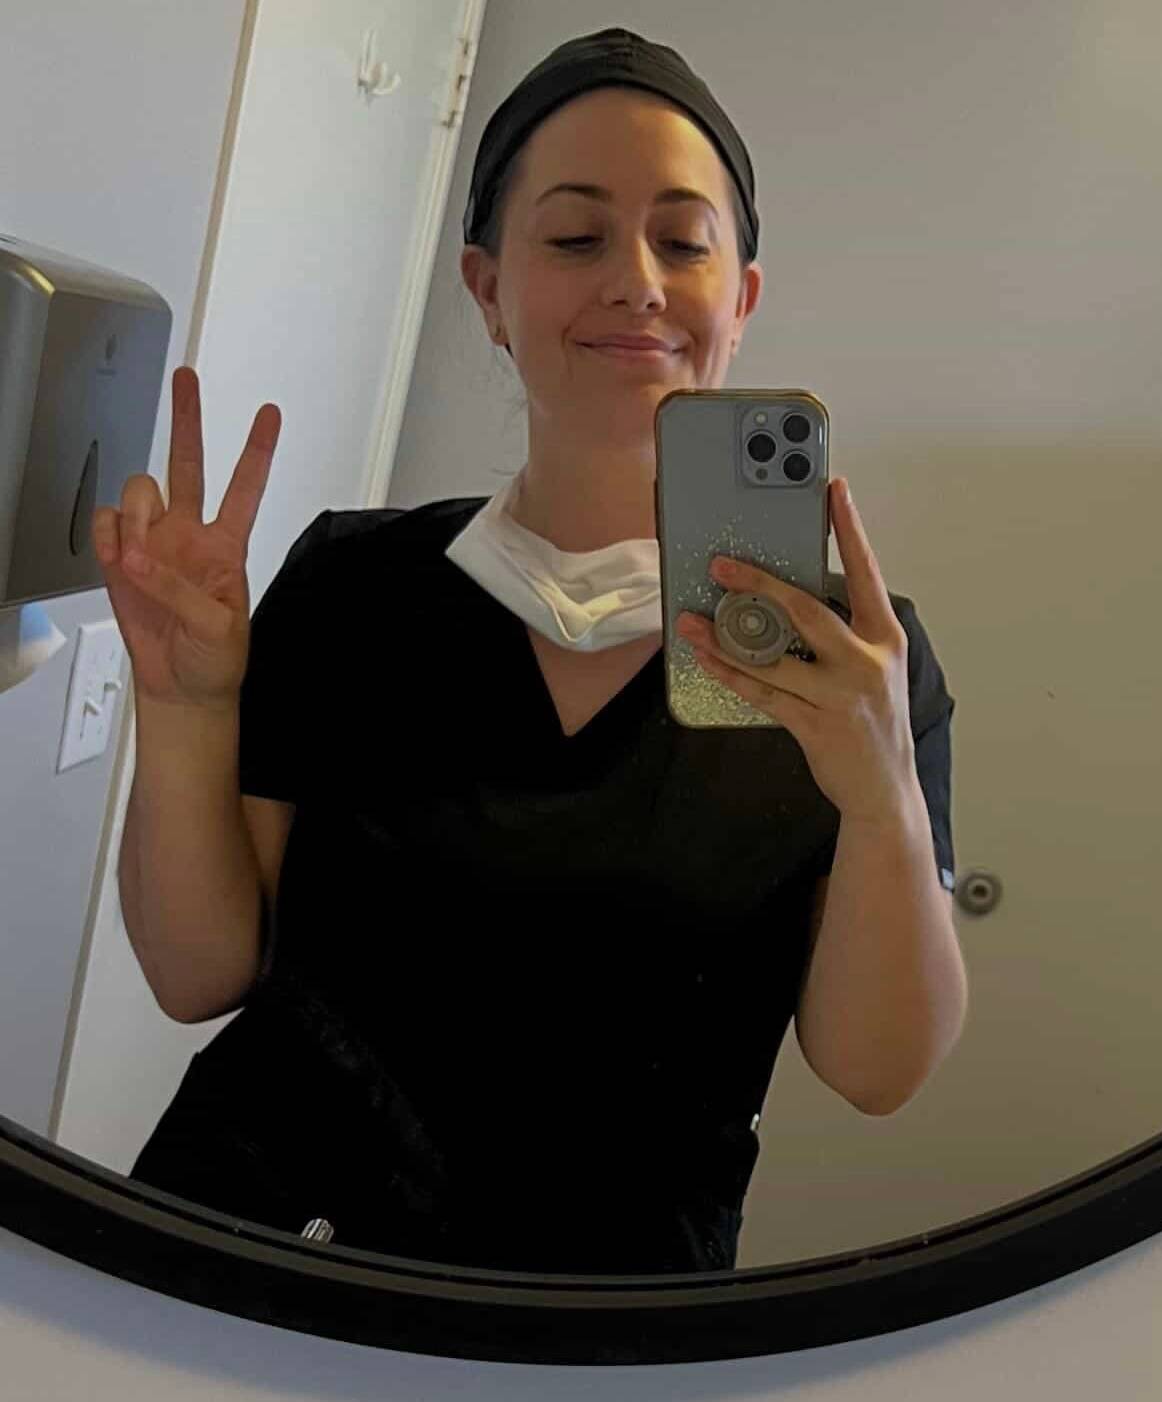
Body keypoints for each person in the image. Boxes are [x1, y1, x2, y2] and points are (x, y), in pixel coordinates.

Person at [101, 28, 959, 1276]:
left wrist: (883, 797)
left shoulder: (855, 658)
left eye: (683, 239)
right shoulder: (348, 585)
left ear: (744, 298)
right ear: (486, 289)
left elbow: (880, 1071)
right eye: (574, 238)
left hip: (596, 1325)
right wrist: (183, 711)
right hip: (253, 1257)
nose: (637, 281)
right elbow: (196, 974)